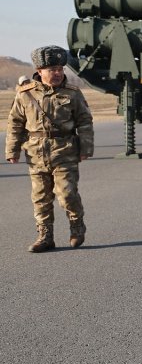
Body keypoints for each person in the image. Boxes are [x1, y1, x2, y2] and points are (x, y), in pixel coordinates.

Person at [5, 45, 94, 252]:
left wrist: (85, 148)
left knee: (67, 194)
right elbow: (15, 123)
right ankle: (45, 237)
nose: (57, 73)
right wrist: (12, 150)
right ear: (39, 70)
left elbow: (84, 121)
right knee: (40, 198)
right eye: (52, 69)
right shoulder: (25, 94)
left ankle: (77, 226)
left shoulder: (72, 93)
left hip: (65, 151)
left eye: (60, 69)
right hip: (36, 153)